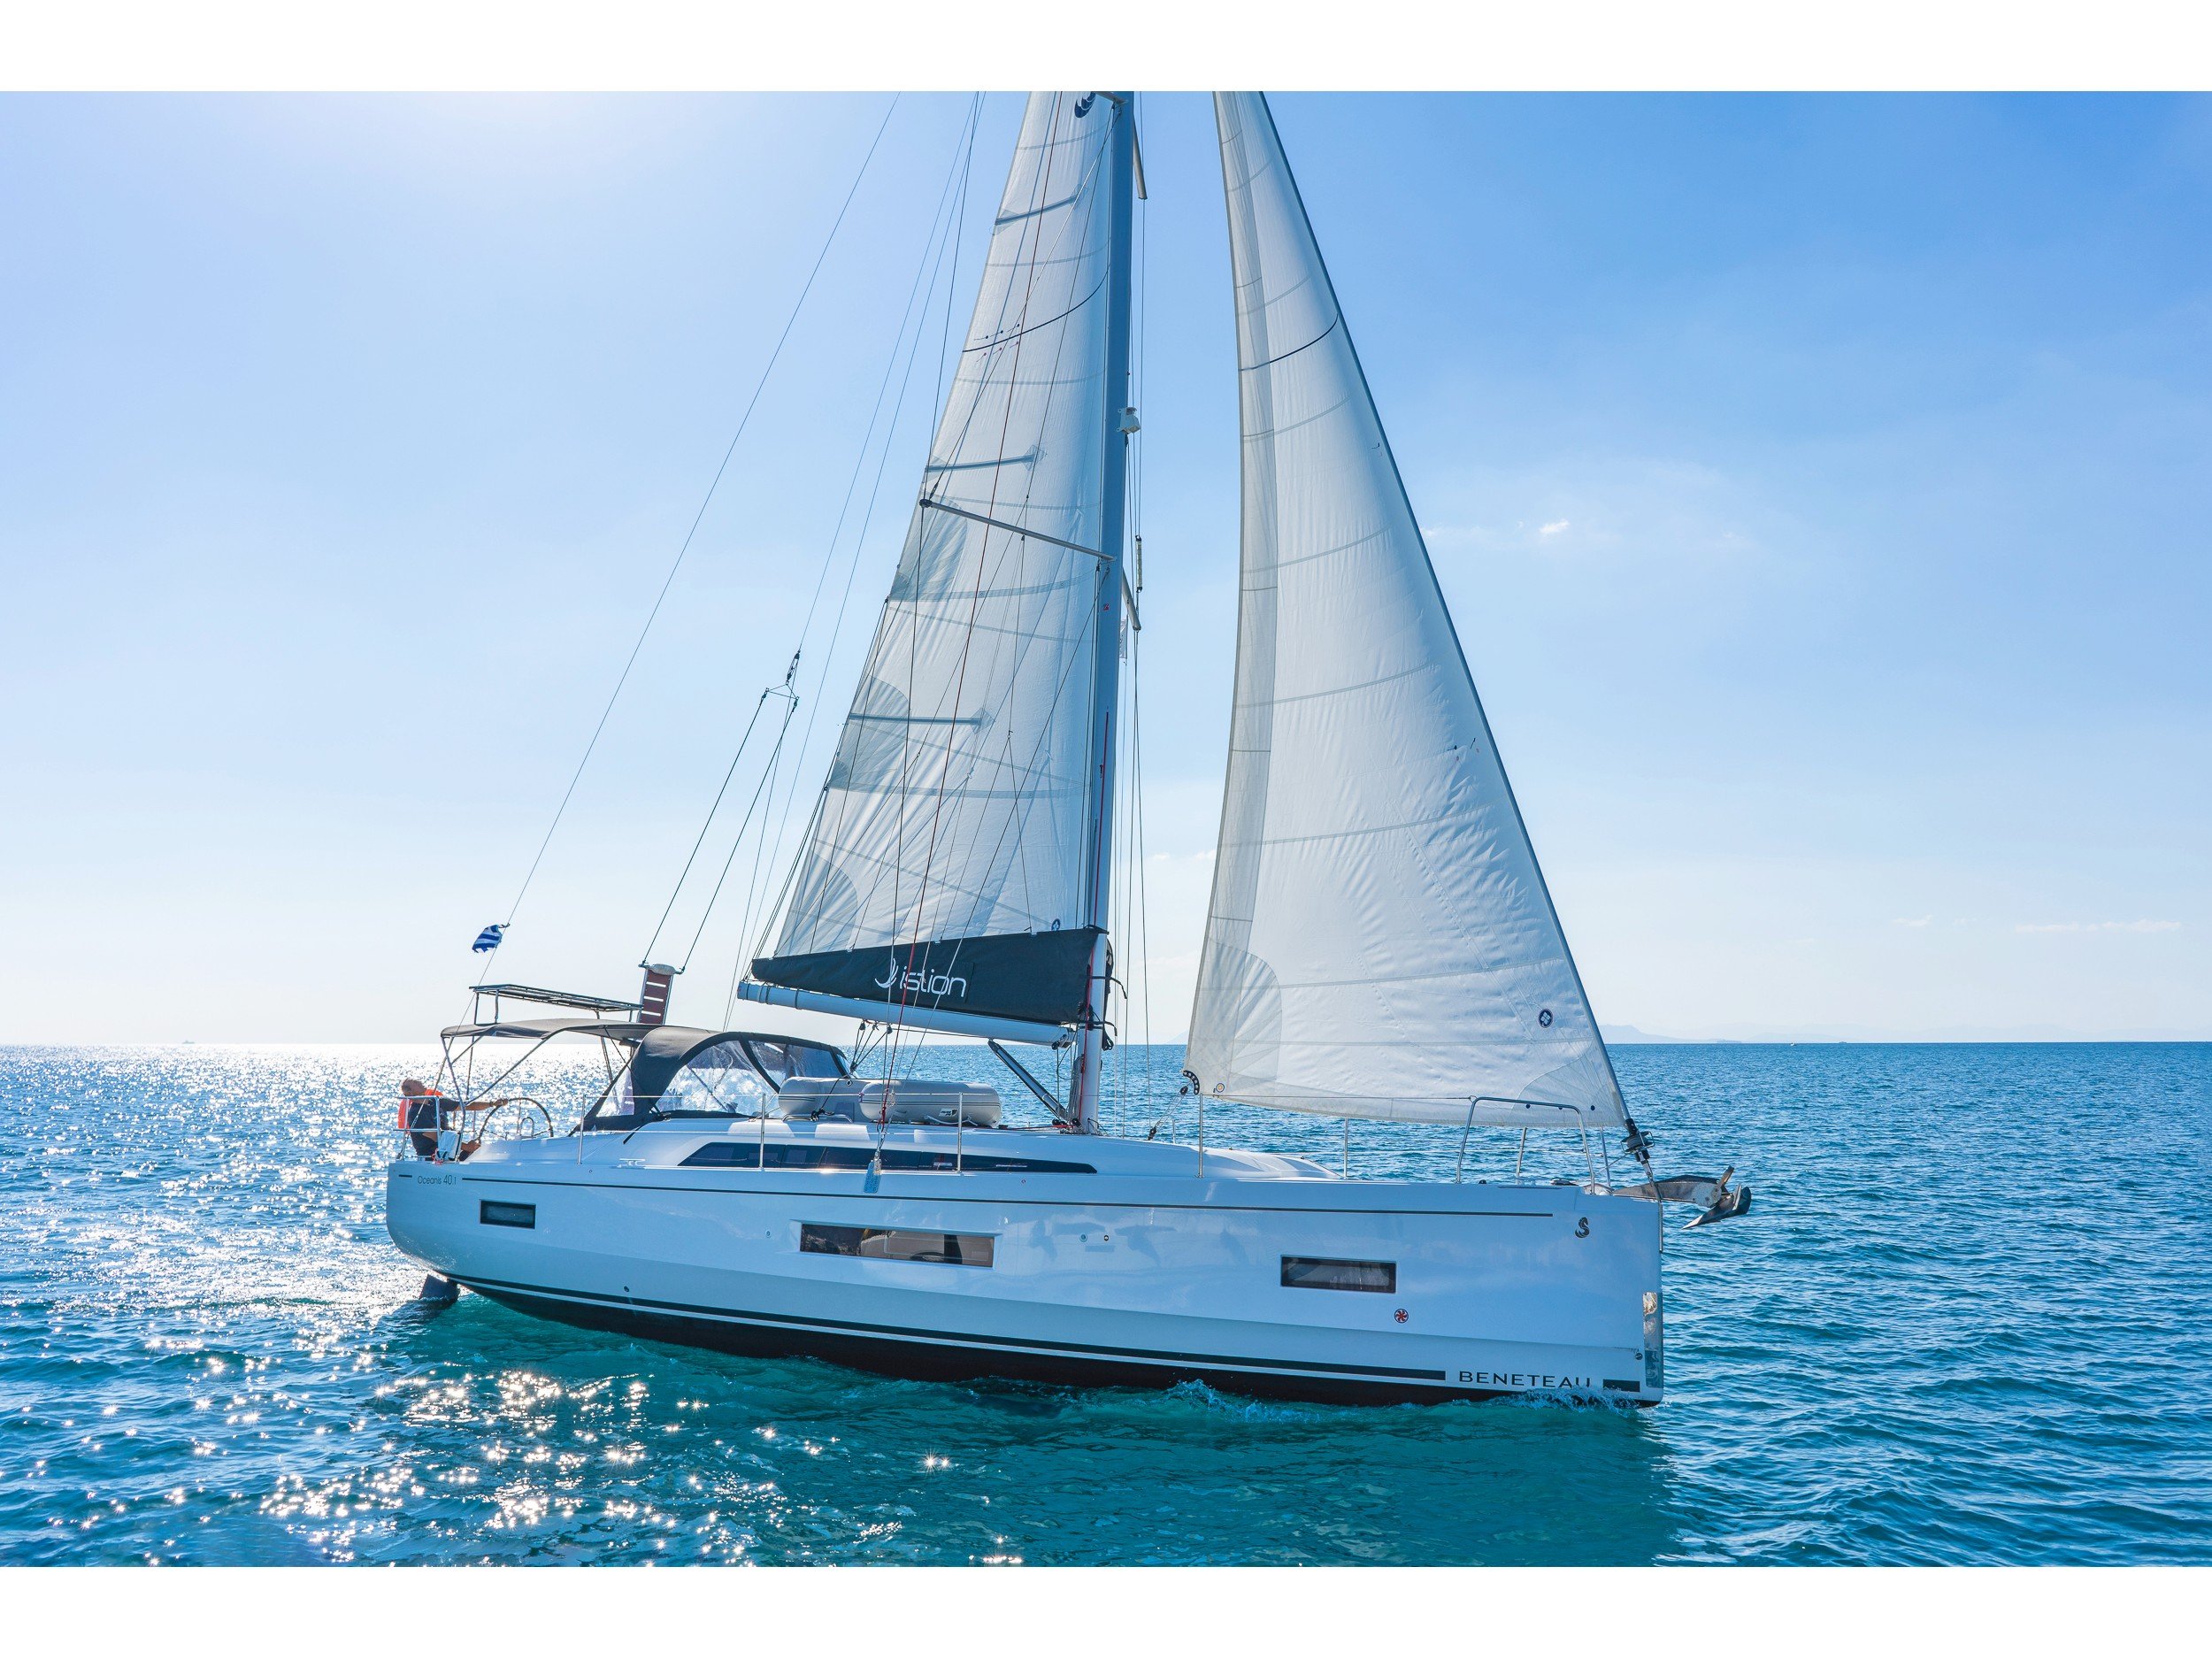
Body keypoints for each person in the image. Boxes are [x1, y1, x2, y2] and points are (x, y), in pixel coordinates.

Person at [400, 1078, 446, 1159]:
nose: (419, 1082)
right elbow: (437, 1136)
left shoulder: (434, 1101)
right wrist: (465, 1146)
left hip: (448, 1150)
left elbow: (461, 1106)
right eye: (415, 1083)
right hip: (433, 1156)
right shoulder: (415, 1113)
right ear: (410, 1093)